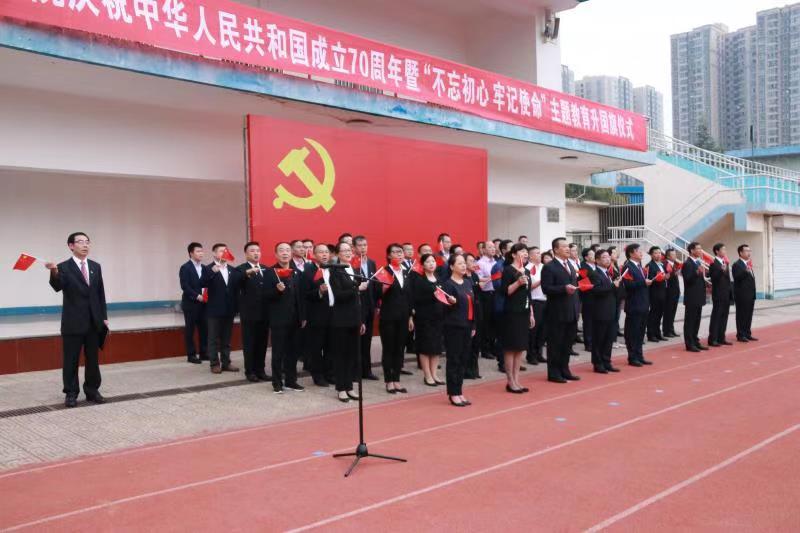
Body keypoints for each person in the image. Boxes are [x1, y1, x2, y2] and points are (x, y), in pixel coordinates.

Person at [45, 232, 109, 408]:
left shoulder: (95, 266)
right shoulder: (63, 267)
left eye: (87, 242)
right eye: (80, 242)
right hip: (73, 322)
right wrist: (53, 271)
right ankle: (71, 393)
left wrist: (104, 317)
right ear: (71, 246)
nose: (85, 245)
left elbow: (100, 294)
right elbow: (57, 286)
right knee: (71, 360)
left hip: (93, 322)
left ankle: (92, 390)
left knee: (93, 360)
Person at [328, 242, 365, 403]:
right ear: (337, 254)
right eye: (344, 250)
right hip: (341, 319)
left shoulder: (355, 270)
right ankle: (341, 388)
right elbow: (339, 295)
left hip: (354, 318)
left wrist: (361, 320)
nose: (348, 253)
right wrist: (356, 288)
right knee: (341, 355)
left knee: (352, 355)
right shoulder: (335, 271)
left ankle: (349, 386)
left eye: (349, 250)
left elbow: (358, 300)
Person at [265, 242, 304, 393]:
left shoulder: (296, 272)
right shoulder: (270, 272)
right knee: (278, 353)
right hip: (279, 320)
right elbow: (264, 296)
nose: (285, 253)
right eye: (281, 250)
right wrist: (277, 291)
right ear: (276, 254)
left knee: (293, 352)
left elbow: (300, 296)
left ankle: (291, 381)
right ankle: (277, 382)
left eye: (287, 250)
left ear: (291, 253)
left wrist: (303, 316)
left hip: (295, 319)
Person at [541, 237, 580, 383]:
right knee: (556, 343)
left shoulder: (570, 264)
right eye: (564, 246)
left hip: (572, 310)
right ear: (556, 250)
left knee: (567, 343)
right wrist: (563, 289)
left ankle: (565, 369)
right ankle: (554, 372)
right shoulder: (549, 267)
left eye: (568, 246)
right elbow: (546, 288)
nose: (567, 249)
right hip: (557, 312)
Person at [442, 254, 478, 407]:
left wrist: (473, 325)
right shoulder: (448, 285)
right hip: (454, 327)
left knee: (463, 359)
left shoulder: (468, 282)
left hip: (467, 326)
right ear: (451, 267)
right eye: (460, 263)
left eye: (464, 263)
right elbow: (442, 308)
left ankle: (459, 390)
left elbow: (473, 305)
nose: (463, 266)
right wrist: (450, 303)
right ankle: (453, 393)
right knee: (454, 359)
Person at [379, 243, 414, 393]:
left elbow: (409, 296)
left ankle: (397, 379)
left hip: (403, 317)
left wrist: (410, 317)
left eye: (401, 252)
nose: (399, 254)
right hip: (388, 317)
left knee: (400, 349)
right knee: (389, 348)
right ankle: (389, 381)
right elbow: (376, 294)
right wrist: (382, 289)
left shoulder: (406, 272)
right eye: (395, 252)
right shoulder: (383, 272)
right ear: (388, 255)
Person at [201, 243, 241, 375]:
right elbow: (201, 283)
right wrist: (212, 272)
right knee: (213, 338)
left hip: (229, 309)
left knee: (226, 338)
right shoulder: (208, 268)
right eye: (221, 251)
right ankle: (214, 363)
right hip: (214, 309)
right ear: (214, 253)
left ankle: (226, 362)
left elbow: (236, 290)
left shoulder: (232, 270)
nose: (224, 253)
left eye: (226, 251)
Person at [501, 243, 534, 393]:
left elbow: (528, 293)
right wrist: (518, 282)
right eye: (522, 251)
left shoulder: (526, 270)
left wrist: (531, 313)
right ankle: (510, 381)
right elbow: (505, 291)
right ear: (514, 254)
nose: (525, 254)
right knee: (511, 347)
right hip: (511, 313)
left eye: (526, 251)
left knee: (520, 347)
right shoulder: (508, 270)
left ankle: (516, 380)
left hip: (524, 312)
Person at [237, 241, 270, 383]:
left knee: (262, 343)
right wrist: (247, 273)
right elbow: (235, 282)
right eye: (252, 251)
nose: (256, 253)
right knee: (249, 343)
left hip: (265, 313)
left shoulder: (266, 269)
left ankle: (261, 370)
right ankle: (250, 371)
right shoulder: (241, 269)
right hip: (249, 314)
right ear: (246, 254)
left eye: (258, 250)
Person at [410, 253, 445, 386]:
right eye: (428, 262)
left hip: (438, 317)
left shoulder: (438, 278)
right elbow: (416, 299)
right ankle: (427, 375)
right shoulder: (419, 280)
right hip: (424, 318)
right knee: (425, 347)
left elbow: (443, 295)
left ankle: (434, 374)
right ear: (423, 265)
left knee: (436, 347)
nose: (431, 264)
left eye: (433, 261)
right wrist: (432, 296)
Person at [303, 244, 334, 387]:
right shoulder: (308, 271)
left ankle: (330, 374)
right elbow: (305, 294)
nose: (324, 255)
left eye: (326, 252)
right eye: (321, 252)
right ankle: (318, 376)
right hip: (316, 315)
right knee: (316, 348)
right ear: (314, 255)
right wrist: (319, 292)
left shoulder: (333, 269)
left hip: (333, 314)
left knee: (330, 347)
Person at [589, 249, 621, 373]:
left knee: (609, 338)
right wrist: (613, 285)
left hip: (611, 310)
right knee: (599, 339)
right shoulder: (594, 274)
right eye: (604, 257)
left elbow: (612, 291)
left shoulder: (608, 273)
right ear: (597, 260)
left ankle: (606, 361)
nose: (607, 259)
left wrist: (617, 285)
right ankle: (598, 363)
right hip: (600, 311)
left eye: (608, 257)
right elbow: (596, 290)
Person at [353, 235, 380, 380]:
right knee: (356, 341)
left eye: (365, 245)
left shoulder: (371, 262)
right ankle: (356, 371)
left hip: (370, 306)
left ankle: (367, 370)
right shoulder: (351, 263)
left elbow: (374, 285)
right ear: (354, 248)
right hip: (357, 306)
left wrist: (377, 304)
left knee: (367, 341)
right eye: (360, 245)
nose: (363, 248)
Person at [622, 243, 653, 367]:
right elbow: (628, 285)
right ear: (631, 253)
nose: (641, 253)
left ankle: (639, 355)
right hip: (634, 305)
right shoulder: (627, 267)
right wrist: (644, 282)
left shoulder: (639, 266)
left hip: (643, 304)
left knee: (640, 332)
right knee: (632, 332)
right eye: (638, 251)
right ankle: (632, 357)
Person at [179, 242, 208, 364]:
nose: (201, 253)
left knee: (204, 329)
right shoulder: (185, 268)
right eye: (198, 251)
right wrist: (197, 296)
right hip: (191, 303)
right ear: (191, 253)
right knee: (190, 330)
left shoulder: (205, 268)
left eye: (202, 251)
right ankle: (191, 355)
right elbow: (185, 286)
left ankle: (203, 353)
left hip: (204, 304)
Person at [682, 242, 709, 352]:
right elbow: (687, 280)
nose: (700, 250)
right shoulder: (687, 264)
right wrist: (696, 272)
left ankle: (695, 341)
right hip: (691, 298)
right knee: (690, 321)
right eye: (698, 248)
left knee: (696, 321)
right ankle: (689, 344)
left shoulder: (697, 262)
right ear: (692, 250)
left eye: (700, 248)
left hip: (698, 297)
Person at [476, 240, 499, 364]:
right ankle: (485, 349)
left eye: (493, 247)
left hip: (497, 294)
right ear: (483, 249)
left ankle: (493, 346)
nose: (493, 249)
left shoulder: (496, 263)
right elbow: (479, 279)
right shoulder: (479, 263)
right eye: (489, 247)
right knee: (486, 322)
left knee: (495, 322)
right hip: (486, 295)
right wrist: (493, 277)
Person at [708, 243, 733, 347]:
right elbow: (713, 278)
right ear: (717, 251)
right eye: (723, 249)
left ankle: (721, 337)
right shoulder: (713, 263)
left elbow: (727, 279)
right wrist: (721, 271)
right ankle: (713, 339)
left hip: (726, 294)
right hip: (718, 294)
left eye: (725, 249)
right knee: (716, 316)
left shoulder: (725, 262)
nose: (725, 251)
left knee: (724, 317)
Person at [527, 247, 548, 365]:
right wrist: (541, 281)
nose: (539, 255)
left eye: (540, 253)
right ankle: (531, 355)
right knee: (533, 330)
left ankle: (539, 353)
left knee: (543, 330)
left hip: (546, 301)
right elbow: (528, 287)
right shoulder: (527, 269)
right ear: (530, 256)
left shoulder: (544, 267)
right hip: (534, 302)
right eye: (536, 253)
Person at [732, 244, 757, 342]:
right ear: (741, 253)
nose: (749, 252)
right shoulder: (737, 265)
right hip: (742, 295)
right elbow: (737, 278)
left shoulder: (748, 264)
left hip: (750, 295)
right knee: (741, 315)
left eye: (749, 250)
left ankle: (747, 333)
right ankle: (741, 335)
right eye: (746, 251)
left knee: (748, 315)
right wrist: (745, 271)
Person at [464, 252, 483, 379]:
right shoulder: (463, 277)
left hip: (478, 309)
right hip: (467, 311)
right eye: (470, 261)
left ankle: (475, 370)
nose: (473, 263)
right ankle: (467, 371)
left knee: (476, 342)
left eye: (474, 261)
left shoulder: (475, 275)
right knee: (468, 343)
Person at [646, 246, 668, 342]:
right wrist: (658, 279)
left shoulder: (662, 264)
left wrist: (666, 276)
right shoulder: (649, 265)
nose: (658, 255)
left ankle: (658, 333)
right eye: (656, 253)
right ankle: (651, 334)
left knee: (660, 314)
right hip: (654, 293)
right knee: (653, 314)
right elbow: (649, 279)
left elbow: (664, 276)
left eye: (659, 253)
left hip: (663, 291)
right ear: (651, 255)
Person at [579, 247, 596, 352]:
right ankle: (588, 343)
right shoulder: (583, 267)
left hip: (597, 298)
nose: (594, 256)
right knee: (588, 322)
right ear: (586, 257)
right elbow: (584, 284)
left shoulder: (596, 266)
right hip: (588, 298)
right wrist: (597, 287)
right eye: (592, 255)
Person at [662, 248, 681, 338]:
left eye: (675, 254)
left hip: (675, 292)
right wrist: (674, 274)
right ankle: (666, 331)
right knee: (668, 312)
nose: (675, 256)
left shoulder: (674, 265)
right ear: (668, 256)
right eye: (673, 255)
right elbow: (666, 277)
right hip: (669, 292)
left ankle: (671, 329)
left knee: (673, 312)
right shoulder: (665, 264)